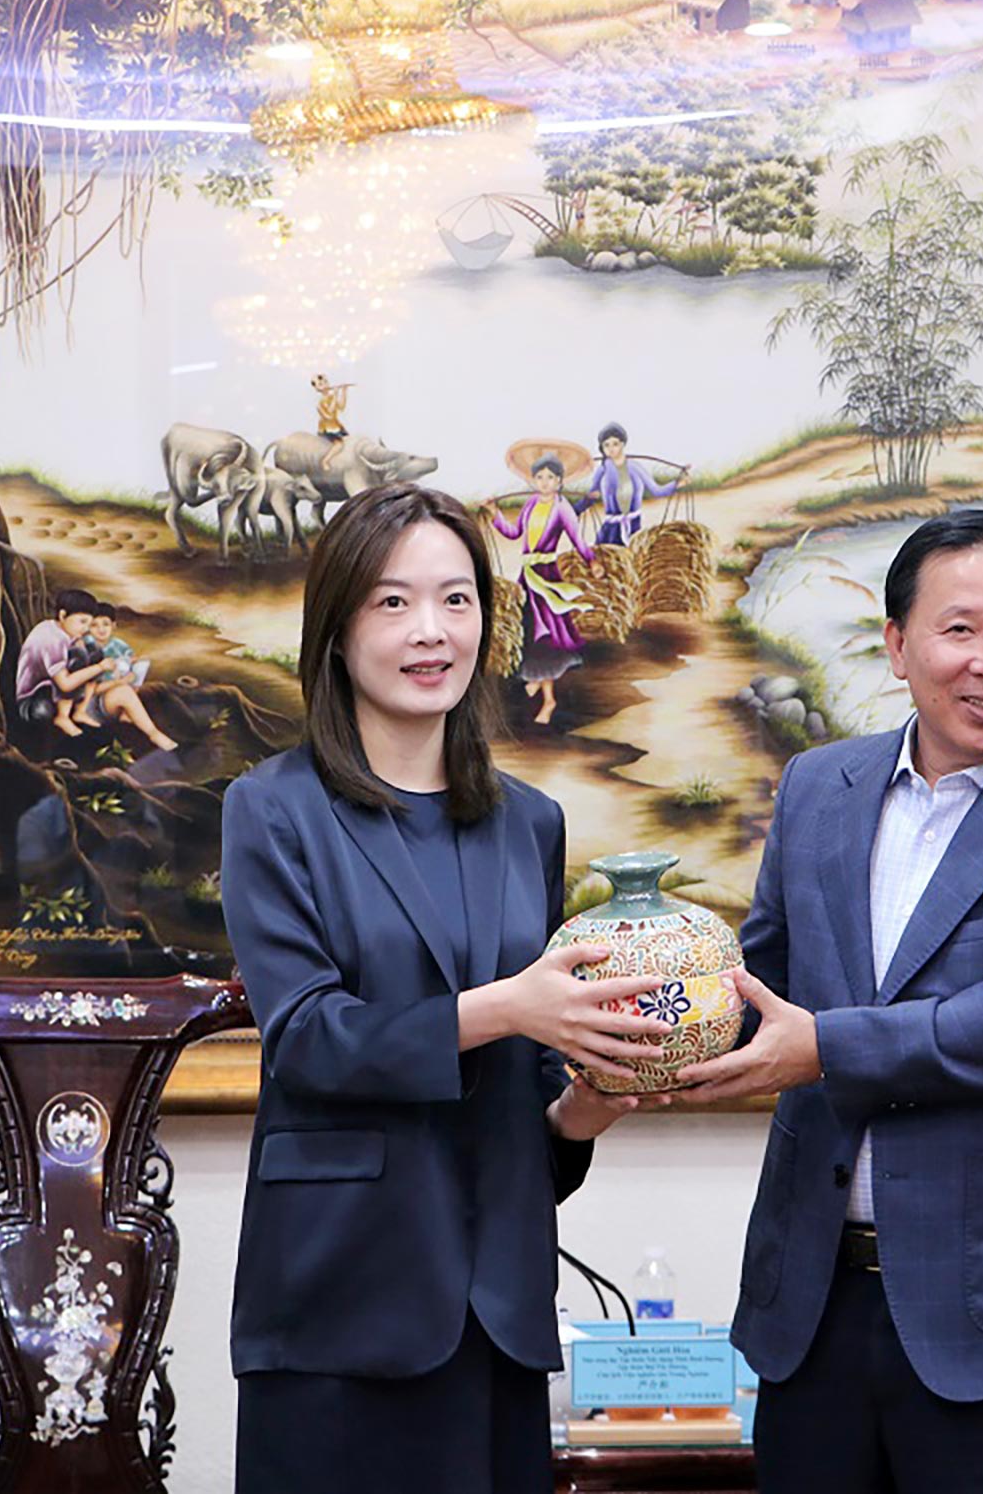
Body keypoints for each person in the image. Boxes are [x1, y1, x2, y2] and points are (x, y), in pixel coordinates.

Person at [673, 510, 983, 1494]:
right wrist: (640, 1034)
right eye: (959, 630)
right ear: (896, 644)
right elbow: (760, 988)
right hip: (811, 1309)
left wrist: (822, 1046)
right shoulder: (819, 786)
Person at [221, 482, 670, 1494]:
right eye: (391, 603)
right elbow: (307, 1040)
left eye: (455, 600)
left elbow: (516, 1098)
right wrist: (508, 1007)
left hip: (498, 1312)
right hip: (341, 1307)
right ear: (335, 633)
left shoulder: (529, 823)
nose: (430, 632)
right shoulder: (272, 810)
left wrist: (583, 1110)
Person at [488, 455, 594, 725]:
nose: (544, 483)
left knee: (546, 636)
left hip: (547, 577)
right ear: (533, 480)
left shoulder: (562, 508)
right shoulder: (532, 503)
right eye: (539, 478)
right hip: (528, 576)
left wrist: (592, 562)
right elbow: (514, 533)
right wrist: (495, 515)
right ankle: (536, 679)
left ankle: (549, 700)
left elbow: (577, 540)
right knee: (528, 630)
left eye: (550, 478)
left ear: (559, 481)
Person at [16, 591, 177, 749]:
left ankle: (150, 732)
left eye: (89, 623)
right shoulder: (52, 640)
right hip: (36, 702)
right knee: (82, 657)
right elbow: (65, 684)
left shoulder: (64, 632)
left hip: (65, 696)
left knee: (91, 656)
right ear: (63, 615)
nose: (87, 629)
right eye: (84, 622)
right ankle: (63, 717)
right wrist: (101, 668)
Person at [576, 422, 680, 547]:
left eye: (615, 444)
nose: (611, 448)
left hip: (633, 526)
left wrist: (678, 483)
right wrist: (575, 510)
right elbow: (592, 495)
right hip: (611, 529)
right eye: (606, 445)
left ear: (623, 444)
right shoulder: (603, 469)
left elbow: (657, 490)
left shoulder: (635, 467)